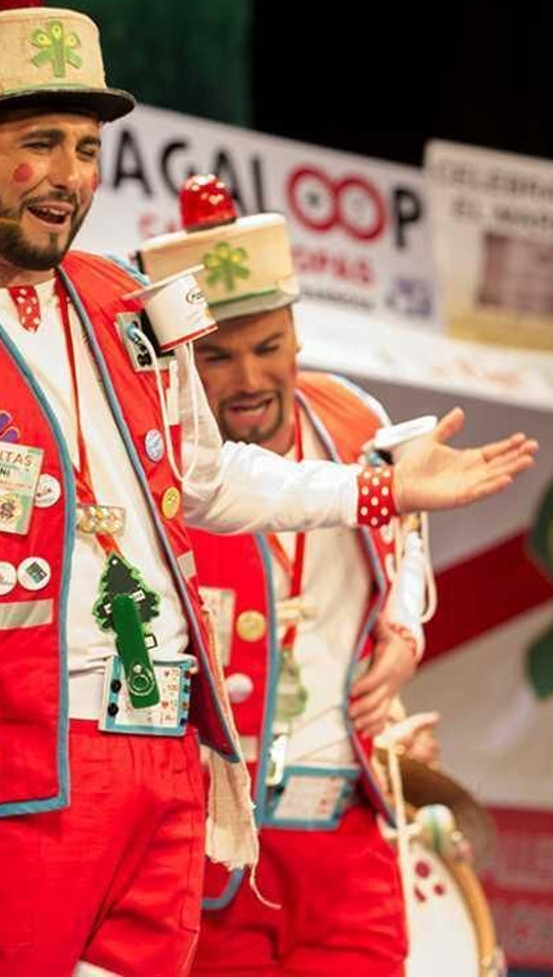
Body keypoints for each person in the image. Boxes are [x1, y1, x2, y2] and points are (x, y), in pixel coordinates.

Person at [0, 0, 537, 976]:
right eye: (36, 143)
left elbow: (206, 476)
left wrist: (381, 490)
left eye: (84, 148)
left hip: (164, 755)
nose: (66, 176)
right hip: (8, 760)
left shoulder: (125, 300)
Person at [137, 175, 446, 975]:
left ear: (296, 337)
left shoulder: (353, 418)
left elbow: (405, 530)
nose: (246, 379)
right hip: (213, 830)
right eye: (217, 355)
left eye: (268, 347)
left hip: (344, 824)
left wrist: (406, 628)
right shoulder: (163, 470)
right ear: (181, 358)